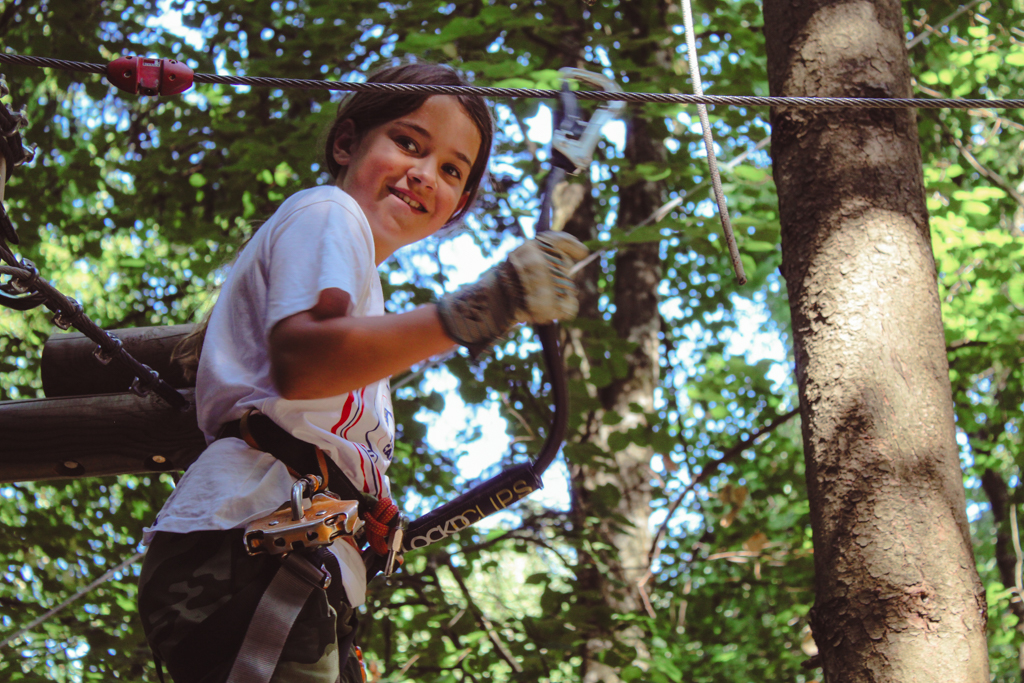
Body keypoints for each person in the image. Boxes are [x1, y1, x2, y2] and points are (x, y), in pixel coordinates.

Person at [136, 62, 588, 683]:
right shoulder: (329, 213)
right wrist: (479, 309)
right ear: (347, 143)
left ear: (457, 207)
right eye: (408, 142)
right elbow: (304, 362)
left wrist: (361, 502)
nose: (424, 173)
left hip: (285, 560)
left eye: (452, 170)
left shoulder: (361, 290)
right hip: (249, 548)